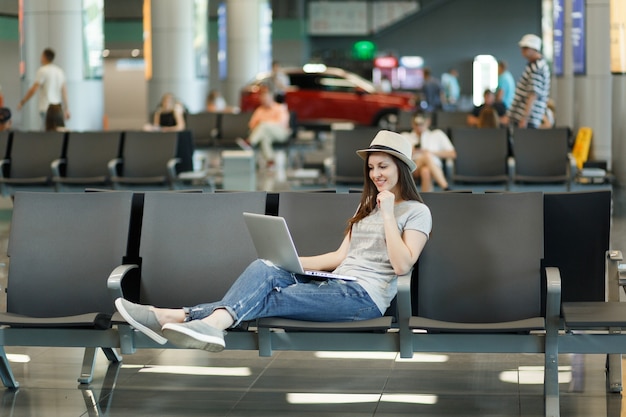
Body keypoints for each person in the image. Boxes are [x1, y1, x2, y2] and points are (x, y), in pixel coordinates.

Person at [114, 130, 432, 352]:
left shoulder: (417, 212)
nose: (376, 174)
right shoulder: (364, 207)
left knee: (262, 299)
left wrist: (389, 213)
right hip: (337, 284)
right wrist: (290, 261)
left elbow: (403, 264)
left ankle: (174, 316)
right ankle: (196, 321)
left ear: (401, 169)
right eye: (372, 168)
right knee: (265, 268)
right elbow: (339, 257)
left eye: (383, 167)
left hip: (364, 299)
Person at [17, 48, 70, 131]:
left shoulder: (42, 70)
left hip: (46, 107)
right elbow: (64, 91)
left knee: (47, 132)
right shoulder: (59, 71)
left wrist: (22, 102)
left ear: (44, 57)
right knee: (57, 131)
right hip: (58, 109)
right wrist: (66, 108)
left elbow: (34, 89)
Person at [507, 34, 551, 129]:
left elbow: (533, 94)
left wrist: (525, 118)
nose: (522, 51)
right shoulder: (533, 65)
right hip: (525, 119)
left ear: (533, 48)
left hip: (527, 121)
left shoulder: (537, 67)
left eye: (525, 48)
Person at [404, 112, 456, 192]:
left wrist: (431, 152)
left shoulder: (437, 134)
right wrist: (412, 151)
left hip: (434, 167)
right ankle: (445, 187)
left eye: (421, 123)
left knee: (426, 171)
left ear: (428, 121)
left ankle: (425, 202)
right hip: (414, 167)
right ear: (412, 123)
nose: (419, 127)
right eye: (416, 124)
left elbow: (452, 154)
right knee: (426, 156)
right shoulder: (406, 136)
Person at [246, 86, 291, 167]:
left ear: (271, 97)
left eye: (266, 98)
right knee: (264, 137)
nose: (264, 100)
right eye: (262, 98)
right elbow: (252, 124)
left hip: (281, 133)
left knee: (263, 126)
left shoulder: (280, 108)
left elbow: (280, 123)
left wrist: (264, 123)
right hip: (266, 133)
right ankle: (270, 161)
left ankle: (250, 142)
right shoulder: (259, 110)